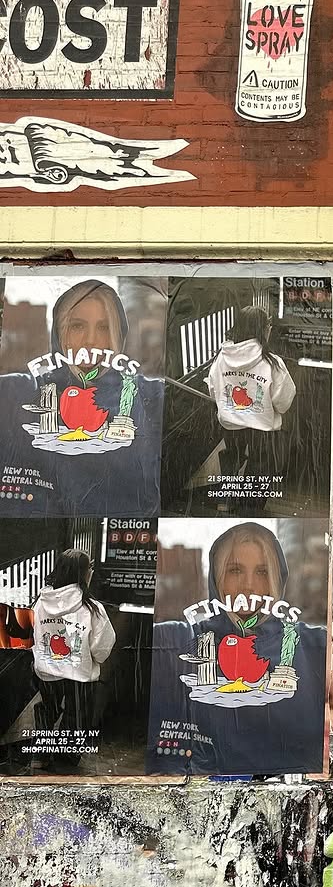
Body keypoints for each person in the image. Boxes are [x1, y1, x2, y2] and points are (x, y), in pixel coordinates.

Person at [146, 522, 326, 775]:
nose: (248, 586)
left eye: (263, 572)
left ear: (278, 580)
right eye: (235, 570)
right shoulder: (180, 639)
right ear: (216, 578)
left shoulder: (315, 646)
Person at [0, 279, 164, 517]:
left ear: (119, 336)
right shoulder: (15, 393)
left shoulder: (151, 397)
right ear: (59, 333)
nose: (90, 340)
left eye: (104, 327)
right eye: (77, 326)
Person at [30, 549, 116, 770]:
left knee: (47, 709)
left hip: (47, 669)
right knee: (77, 716)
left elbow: (34, 634)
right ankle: (65, 762)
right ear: (83, 573)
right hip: (80, 672)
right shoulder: (92, 608)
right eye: (90, 568)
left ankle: (40, 755)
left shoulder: (40, 602)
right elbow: (101, 648)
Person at [205, 306, 296, 511]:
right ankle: (251, 509)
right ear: (262, 329)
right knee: (260, 466)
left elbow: (213, 390)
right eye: (268, 325)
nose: (270, 328)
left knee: (232, 457)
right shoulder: (272, 363)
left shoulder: (222, 358)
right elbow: (283, 402)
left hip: (230, 424)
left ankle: (226, 501)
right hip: (261, 429)